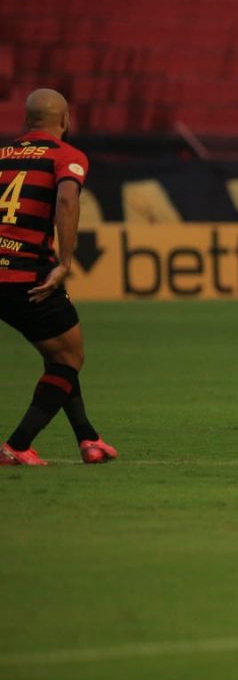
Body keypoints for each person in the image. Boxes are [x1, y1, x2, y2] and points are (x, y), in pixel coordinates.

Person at [1, 89, 116, 466]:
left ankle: (89, 439)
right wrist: (65, 261)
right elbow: (67, 200)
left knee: (58, 355)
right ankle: (17, 445)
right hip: (29, 277)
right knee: (69, 357)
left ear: (25, 121)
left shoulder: (2, 156)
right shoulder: (66, 156)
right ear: (65, 120)